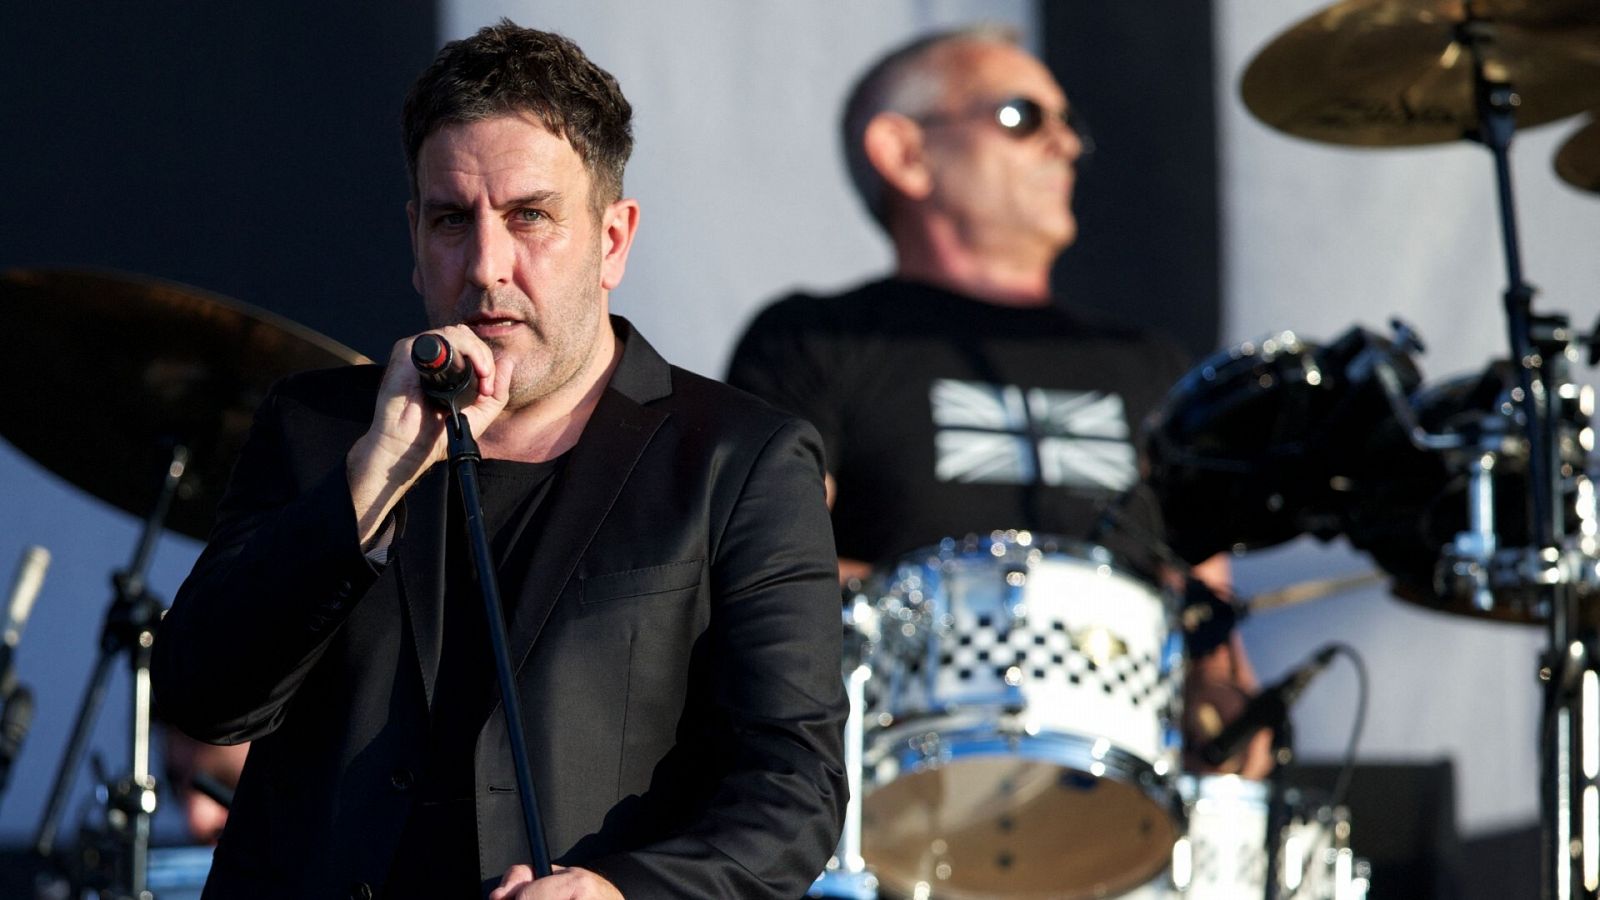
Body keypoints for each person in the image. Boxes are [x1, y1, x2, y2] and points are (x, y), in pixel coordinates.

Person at [152, 21, 847, 900]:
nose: (485, 265)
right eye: (452, 220)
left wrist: (625, 893)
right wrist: (371, 482)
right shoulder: (320, 429)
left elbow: (795, 786)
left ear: (613, 240)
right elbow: (206, 696)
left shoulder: (736, 460)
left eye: (530, 217)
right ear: (414, 238)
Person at [725, 25, 1267, 776]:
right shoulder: (815, 340)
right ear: (905, 154)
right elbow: (761, 575)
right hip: (890, 784)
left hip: (1119, 806)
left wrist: (1227, 707)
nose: (1066, 146)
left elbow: (1209, 617)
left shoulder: (1149, 366)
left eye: (1070, 125)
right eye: (1024, 117)